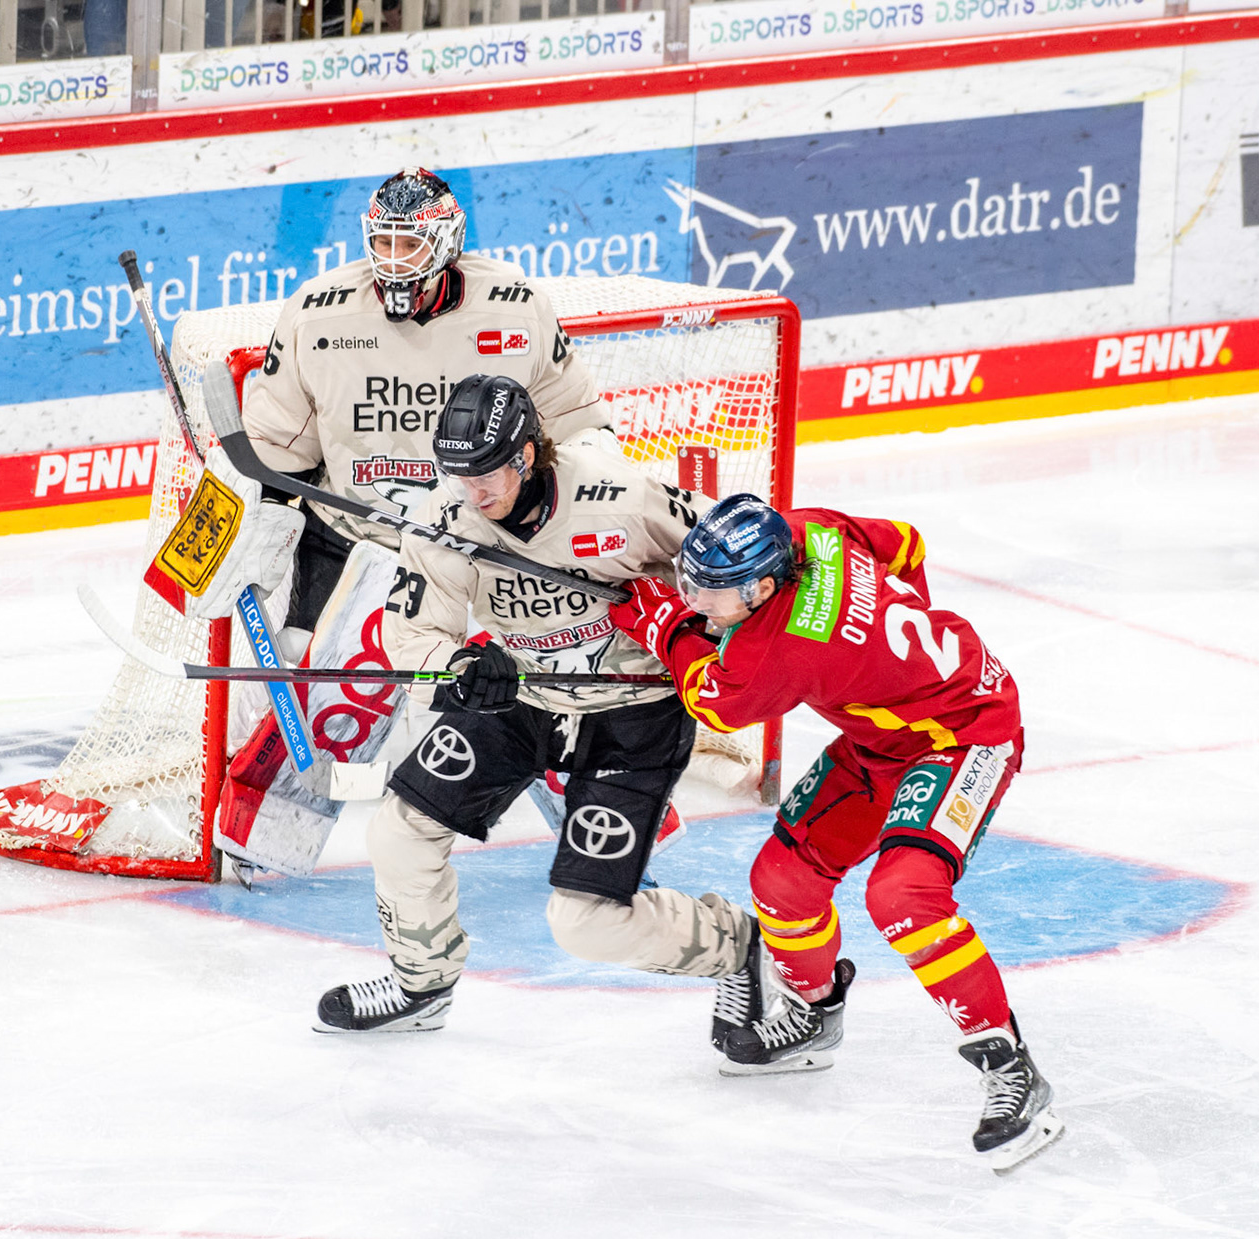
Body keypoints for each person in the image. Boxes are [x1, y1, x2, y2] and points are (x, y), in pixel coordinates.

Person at [157, 166, 621, 872]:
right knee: (338, 697)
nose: (394, 260)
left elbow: (581, 428)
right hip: (367, 539)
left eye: (411, 243)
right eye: (384, 242)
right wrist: (241, 533)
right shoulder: (319, 313)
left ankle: (612, 831)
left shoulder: (517, 308)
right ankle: (264, 841)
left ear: (448, 240)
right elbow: (271, 453)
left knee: (551, 685)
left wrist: (582, 519)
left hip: (491, 541)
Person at [607, 494, 1065, 1172]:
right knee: (782, 883)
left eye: (712, 591)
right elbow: (906, 544)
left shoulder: (778, 648)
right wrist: (883, 662)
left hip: (966, 733)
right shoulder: (808, 530)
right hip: (885, 734)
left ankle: (1013, 1071)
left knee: (904, 894)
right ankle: (814, 1015)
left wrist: (666, 626)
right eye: (692, 583)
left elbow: (712, 699)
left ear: (764, 586)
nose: (698, 598)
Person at [311, 375, 772, 1034]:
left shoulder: (622, 496)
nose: (474, 492)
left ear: (527, 454)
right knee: (398, 828)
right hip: (521, 696)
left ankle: (741, 946)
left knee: (585, 923)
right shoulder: (446, 522)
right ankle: (422, 980)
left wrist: (712, 633)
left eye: (488, 473)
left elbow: (742, 553)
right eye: (460, 475)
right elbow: (415, 635)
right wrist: (462, 668)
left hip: (632, 713)